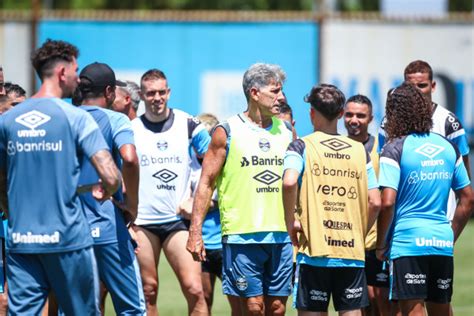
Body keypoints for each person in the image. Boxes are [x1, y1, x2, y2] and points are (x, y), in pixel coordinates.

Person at [0, 39, 121, 315]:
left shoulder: (8, 120)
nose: (79, 79)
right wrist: (106, 189)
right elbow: (111, 175)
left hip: (22, 240)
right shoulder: (75, 117)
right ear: (62, 73)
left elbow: (0, 179)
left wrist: (12, 210)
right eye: (76, 70)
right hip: (67, 240)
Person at [187, 63, 295, 315]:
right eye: (275, 91)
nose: (282, 97)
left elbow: (296, 183)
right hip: (241, 236)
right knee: (253, 308)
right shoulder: (227, 131)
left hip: (280, 235)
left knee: (277, 309)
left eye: (281, 91)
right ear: (254, 93)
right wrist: (195, 232)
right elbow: (206, 183)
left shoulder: (287, 132)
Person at [283, 84, 381, 315]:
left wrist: (290, 223)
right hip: (351, 253)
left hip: (314, 252)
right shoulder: (359, 150)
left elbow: (289, 182)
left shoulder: (301, 146)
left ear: (311, 112)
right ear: (340, 114)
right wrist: (360, 232)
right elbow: (375, 201)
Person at [376, 82, 473, 316]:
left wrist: (380, 244)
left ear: (394, 114)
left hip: (408, 242)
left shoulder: (394, 148)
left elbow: (387, 202)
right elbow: (468, 198)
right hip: (440, 242)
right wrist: (448, 234)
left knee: (412, 311)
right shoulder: (449, 146)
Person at [131, 68, 210, 315]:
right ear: (142, 96)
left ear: (169, 92)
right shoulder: (130, 129)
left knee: (195, 289)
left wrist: (196, 198)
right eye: (151, 93)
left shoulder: (188, 124)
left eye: (161, 92)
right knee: (148, 290)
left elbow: (216, 164)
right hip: (142, 223)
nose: (157, 98)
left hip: (177, 222)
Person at [75, 62, 145, 315]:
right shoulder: (116, 119)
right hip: (107, 225)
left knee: (76, 309)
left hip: (69, 226)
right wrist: (132, 206)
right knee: (132, 309)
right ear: (109, 91)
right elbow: (129, 158)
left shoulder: (64, 117)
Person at [379, 60, 471, 220]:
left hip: (441, 217)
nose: (417, 92)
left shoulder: (449, 122)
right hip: (402, 216)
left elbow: (464, 176)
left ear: (433, 86)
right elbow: (383, 167)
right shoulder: (389, 122)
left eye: (422, 85)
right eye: (410, 87)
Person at [344, 94, 393, 316]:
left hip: (375, 239)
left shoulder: (381, 151)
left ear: (371, 118)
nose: (354, 120)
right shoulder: (337, 149)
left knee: (380, 299)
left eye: (360, 116)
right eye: (349, 114)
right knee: (356, 302)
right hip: (345, 237)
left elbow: (386, 195)